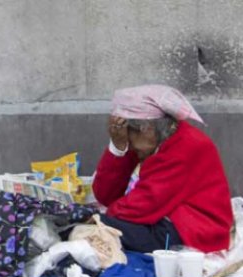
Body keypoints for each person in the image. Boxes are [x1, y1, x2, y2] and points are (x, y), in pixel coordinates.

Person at [92, 85, 233, 253]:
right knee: (99, 229)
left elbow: (144, 203)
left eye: (128, 136)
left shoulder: (187, 146)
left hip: (194, 228)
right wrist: (118, 147)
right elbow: (105, 195)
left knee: (100, 230)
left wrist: (99, 219)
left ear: (147, 129)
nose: (128, 144)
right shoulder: (151, 140)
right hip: (165, 216)